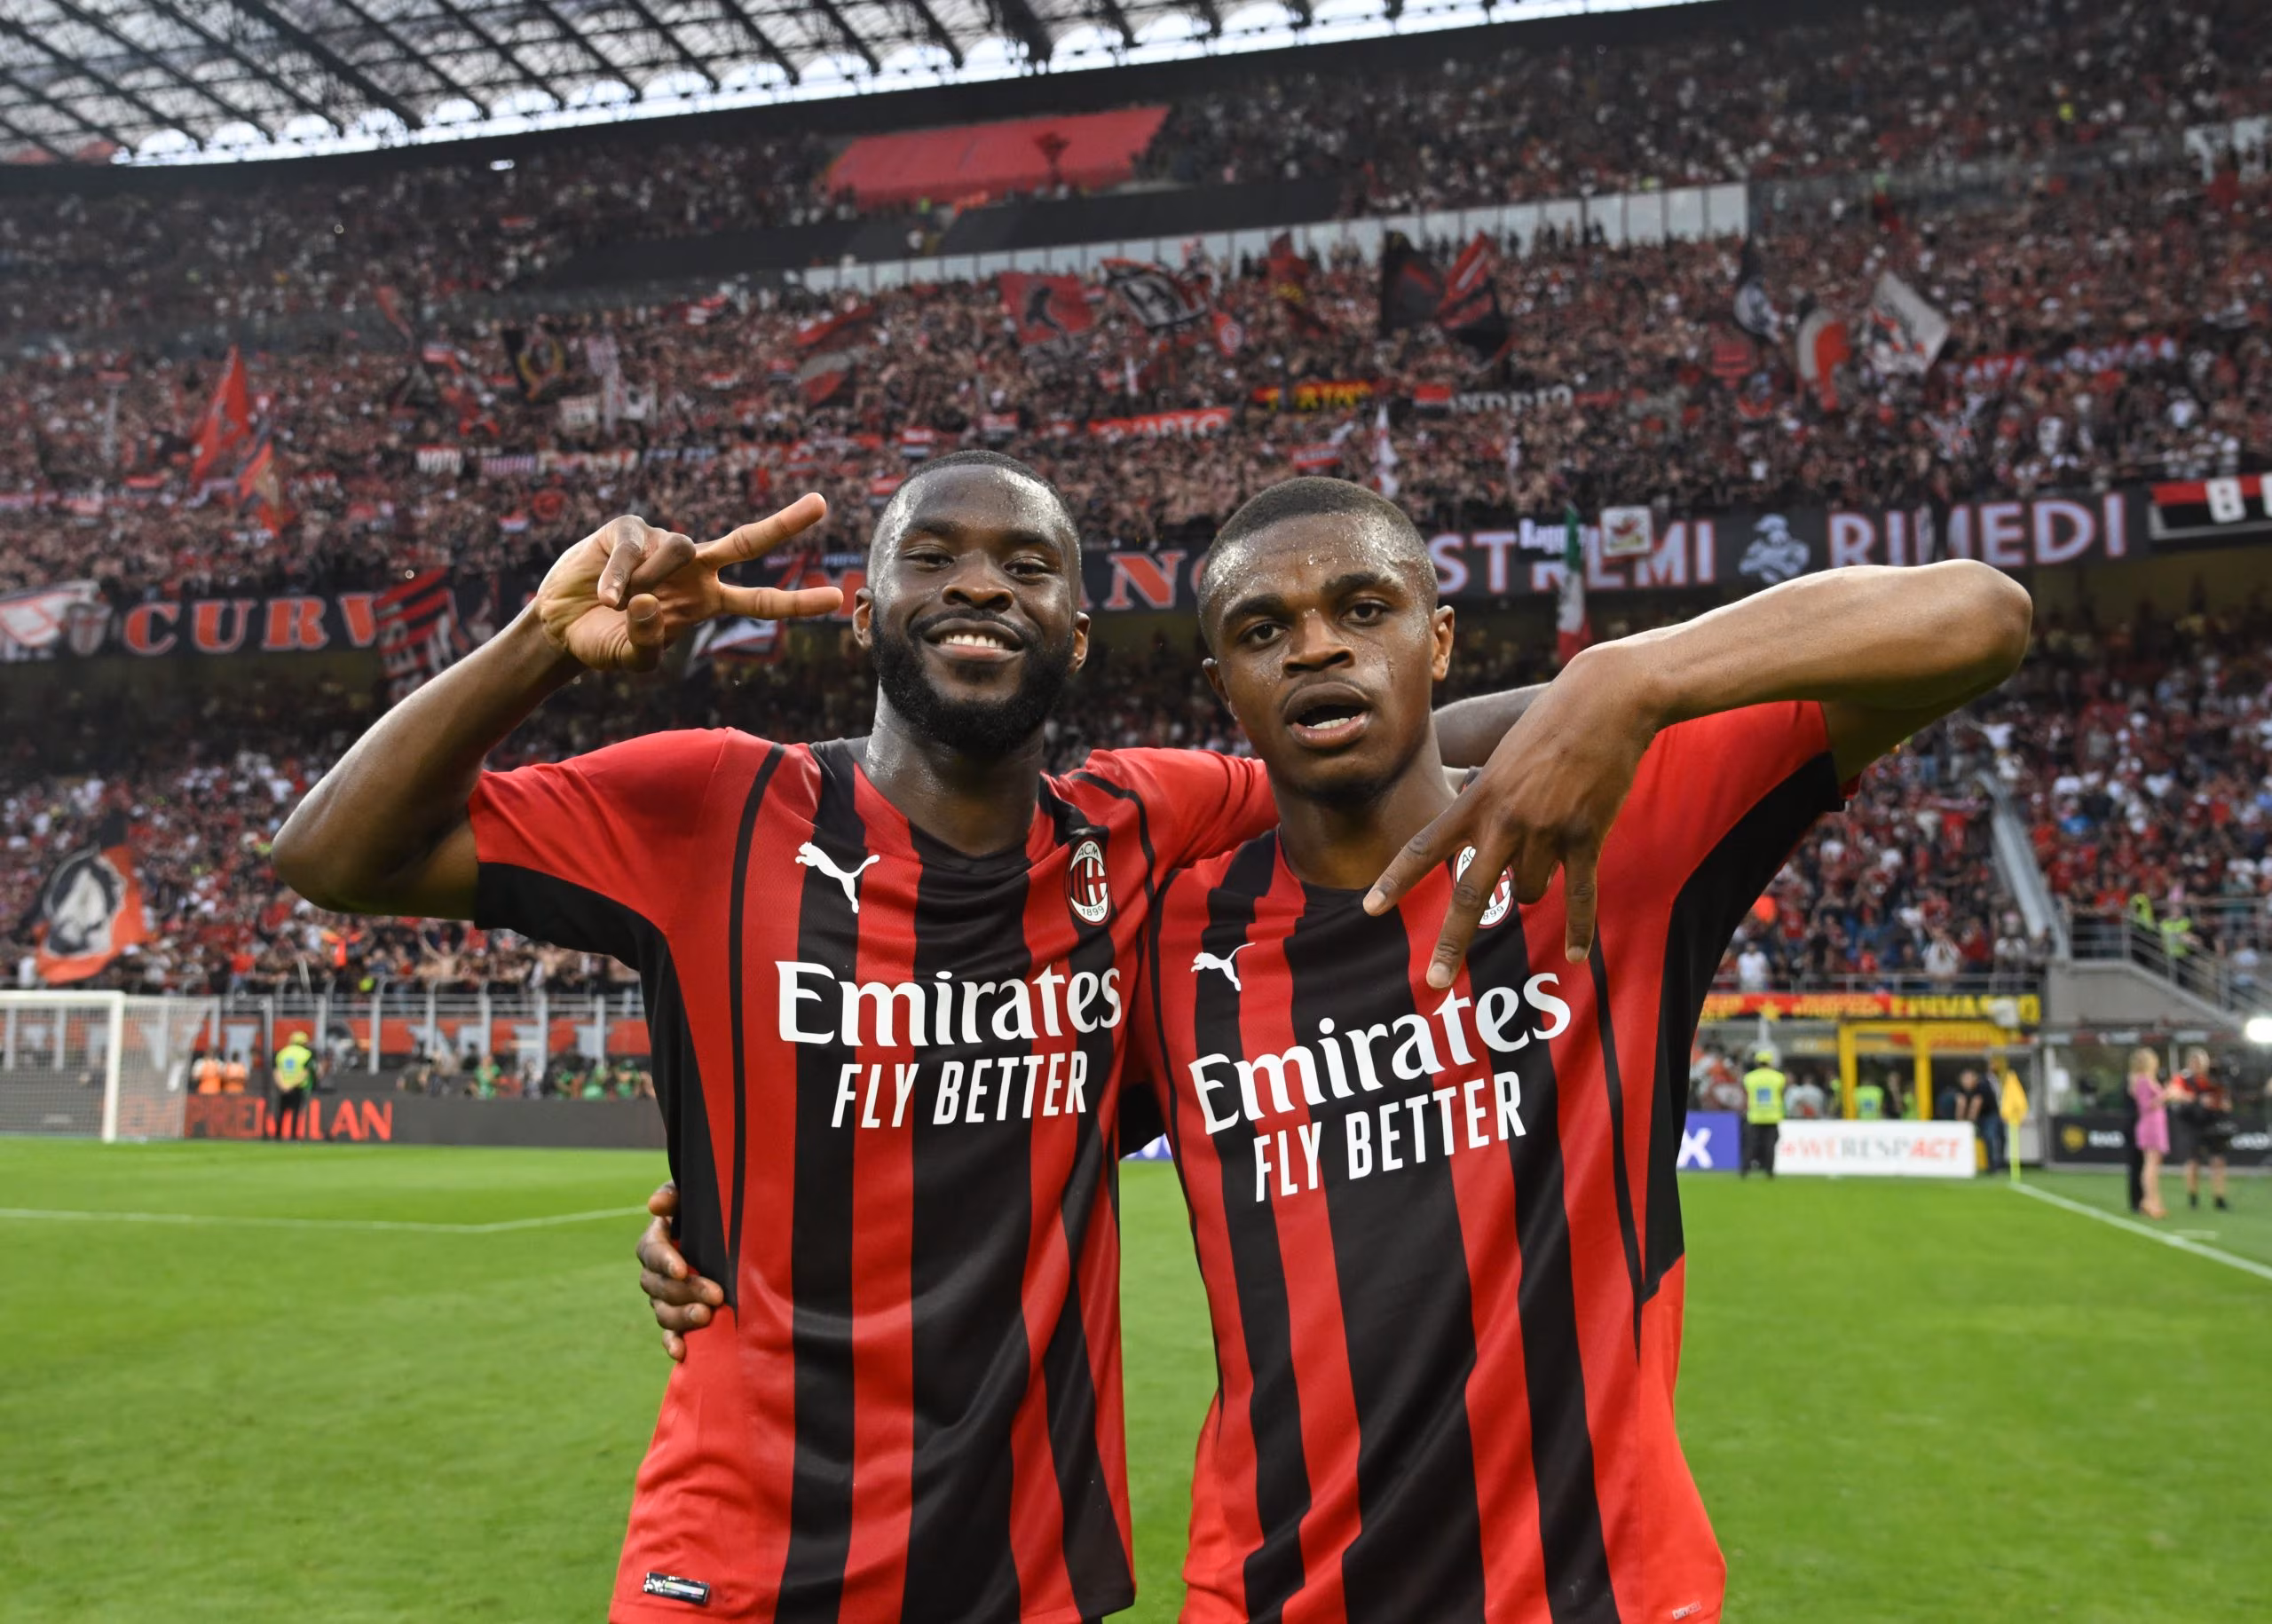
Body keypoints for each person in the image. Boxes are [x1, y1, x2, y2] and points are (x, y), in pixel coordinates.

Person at [646, 479, 2031, 1620]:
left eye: (1362, 610)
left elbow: (1978, 614)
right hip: (1269, 1593)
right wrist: (707, 1218)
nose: (1316, 645)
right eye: (1266, 626)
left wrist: (1634, 674)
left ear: (1437, 640)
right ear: (1225, 688)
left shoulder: (1609, 834)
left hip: (1599, 1588)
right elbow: (974, 1118)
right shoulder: (1170, 940)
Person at [273, 461, 1543, 1623]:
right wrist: (538, 648)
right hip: (735, 1566)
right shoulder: (716, 806)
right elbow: (331, 854)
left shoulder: (1145, 824)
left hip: (1025, 1573)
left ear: (1079, 634)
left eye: (1028, 564)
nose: (981, 580)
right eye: (931, 556)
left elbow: (1397, 746)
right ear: (866, 609)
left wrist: (1623, 686)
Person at [2169, 1045, 2234, 1210]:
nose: (2197, 1065)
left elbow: (2225, 1100)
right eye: (2194, 1062)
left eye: (2200, 1062)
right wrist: (2198, 1100)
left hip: (2212, 1125)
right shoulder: (2183, 1079)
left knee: (2217, 1161)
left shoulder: (2214, 1080)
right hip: (2191, 1125)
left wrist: (2222, 1104)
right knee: (2193, 1162)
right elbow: (2175, 1095)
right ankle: (2193, 1198)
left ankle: (2219, 1198)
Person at [2129, 1048, 2170, 1220]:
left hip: (2156, 1123)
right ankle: (2149, 1201)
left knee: (2154, 1164)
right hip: (2150, 1124)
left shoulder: (2145, 1079)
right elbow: (2146, 1105)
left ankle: (2154, 1199)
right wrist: (2166, 1095)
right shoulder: (2143, 1081)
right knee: (2150, 1164)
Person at [1742, 1047, 1788, 1177]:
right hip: (1772, 1116)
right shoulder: (1779, 1077)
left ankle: (1745, 1170)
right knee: (1770, 1146)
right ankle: (1769, 1171)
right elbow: (1781, 1093)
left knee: (1751, 1145)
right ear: (1771, 1062)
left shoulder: (1749, 1078)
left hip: (1755, 1116)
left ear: (1757, 1062)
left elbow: (1746, 1093)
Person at [270, 1029, 314, 1139]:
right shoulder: (306, 1054)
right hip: (298, 1087)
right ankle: (294, 1137)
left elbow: (276, 1071)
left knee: (281, 1111)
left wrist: (283, 1085)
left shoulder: (282, 1053)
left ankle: (277, 1135)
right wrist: (292, 1085)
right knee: (296, 1112)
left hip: (283, 1086)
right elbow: (305, 1073)